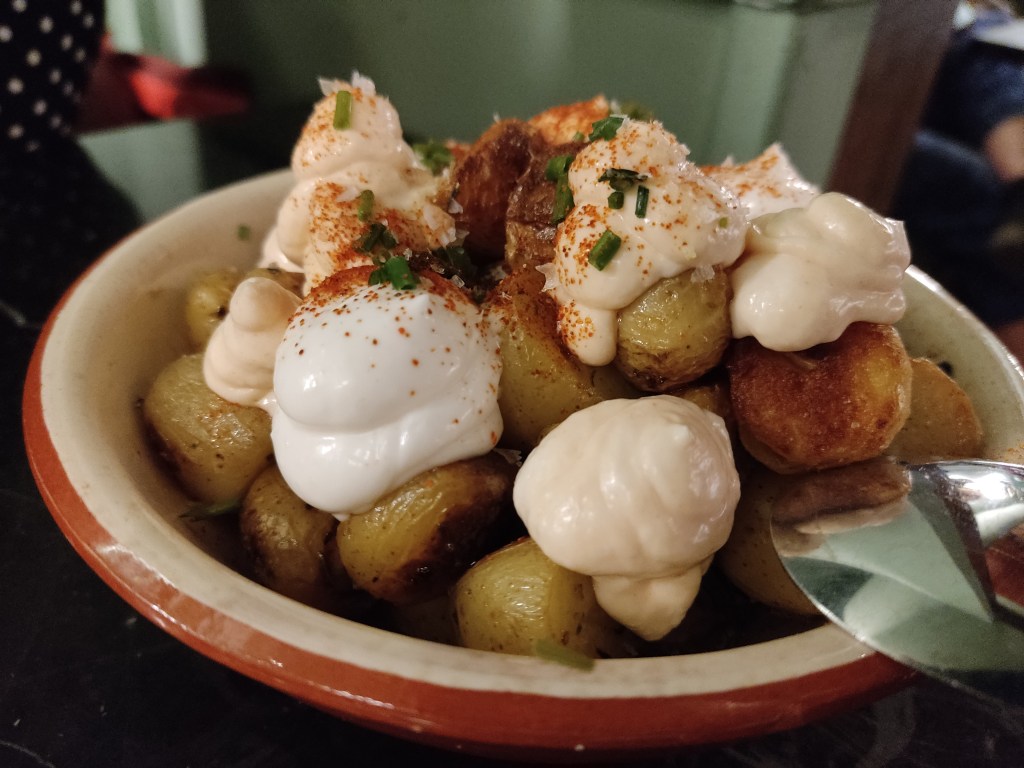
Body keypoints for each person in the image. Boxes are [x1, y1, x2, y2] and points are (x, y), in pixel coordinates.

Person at [892, 1, 1024, 361]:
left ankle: (1019, 200)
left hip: (972, 35)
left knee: (1006, 75)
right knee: (974, 195)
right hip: (913, 49)